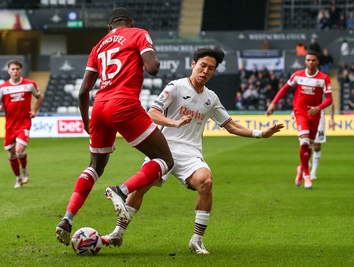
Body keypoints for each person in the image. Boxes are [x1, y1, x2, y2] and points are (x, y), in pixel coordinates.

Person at [101, 48, 284, 254]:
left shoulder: (211, 98)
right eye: (203, 65)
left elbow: (231, 126)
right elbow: (152, 113)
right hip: (164, 148)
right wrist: (174, 122)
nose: (205, 71)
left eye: (211, 68)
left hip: (191, 153)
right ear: (193, 64)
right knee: (140, 190)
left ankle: (196, 240)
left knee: (206, 182)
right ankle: (117, 232)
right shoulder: (175, 87)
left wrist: (261, 133)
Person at [55, 7, 174, 246]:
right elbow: (153, 68)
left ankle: (67, 218)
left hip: (99, 108)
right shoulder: (138, 33)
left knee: (94, 167)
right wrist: (151, 58)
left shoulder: (98, 46)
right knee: (164, 160)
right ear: (130, 22)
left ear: (110, 27)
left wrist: (86, 122)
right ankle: (121, 190)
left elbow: (83, 91)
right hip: (125, 105)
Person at [266, 51, 333, 189]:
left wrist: (319, 108)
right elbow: (285, 89)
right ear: (305, 61)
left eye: (313, 60)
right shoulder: (298, 75)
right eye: (308, 60)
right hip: (300, 112)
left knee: (309, 147)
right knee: (304, 143)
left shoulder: (323, 78)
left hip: (315, 115)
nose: (310, 63)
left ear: (318, 62)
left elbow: (330, 99)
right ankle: (307, 176)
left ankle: (301, 169)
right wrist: (273, 103)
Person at [0, 59, 44, 188]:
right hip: (10, 125)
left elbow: (39, 97)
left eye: (17, 69)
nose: (15, 71)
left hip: (24, 122)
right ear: (8, 71)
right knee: (11, 154)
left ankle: (25, 170)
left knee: (19, 150)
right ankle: (18, 178)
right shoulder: (3, 87)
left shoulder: (29, 84)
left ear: (21, 70)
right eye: (13, 69)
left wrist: (34, 110)